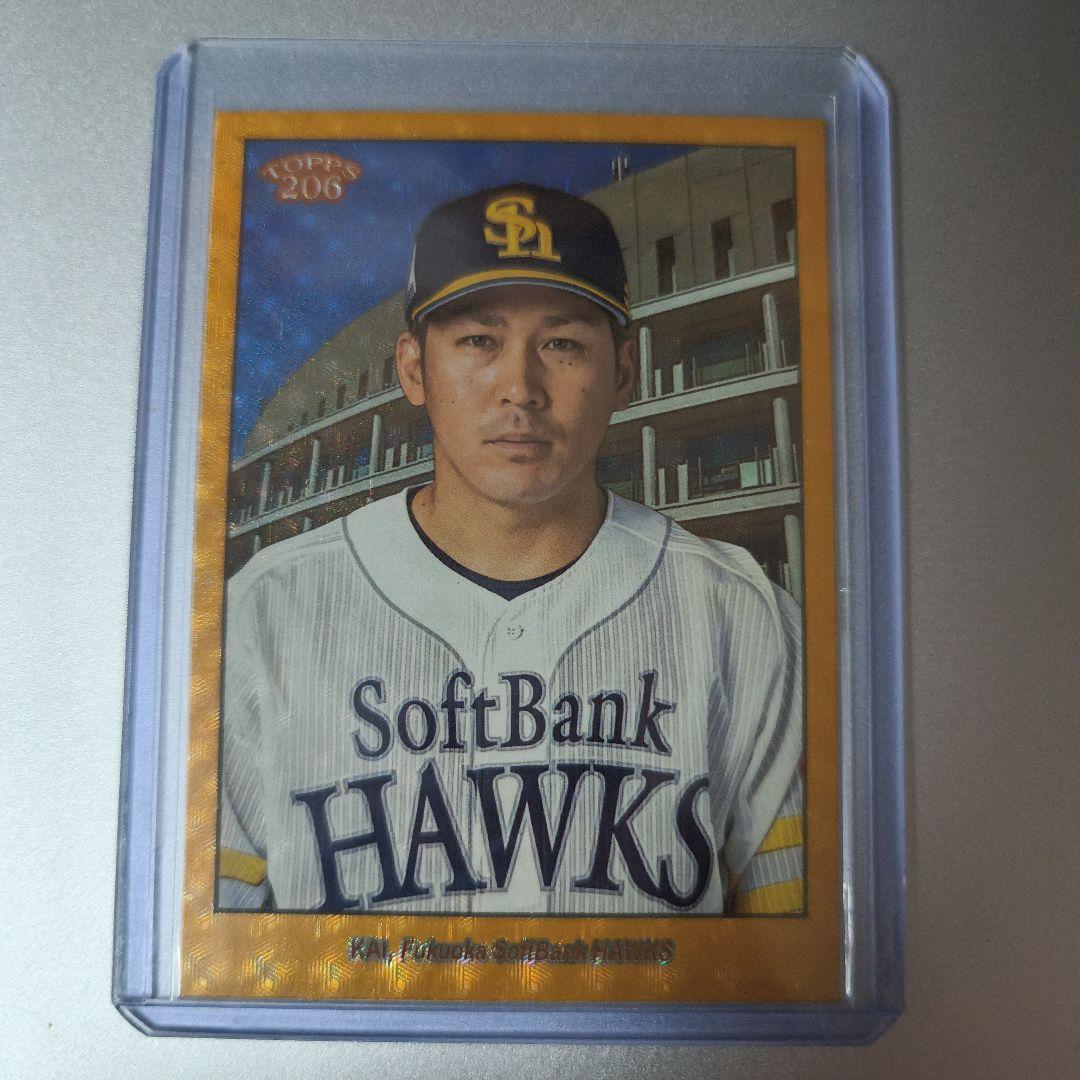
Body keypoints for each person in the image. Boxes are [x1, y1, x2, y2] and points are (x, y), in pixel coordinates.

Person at [218, 183, 805, 916]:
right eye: (478, 341)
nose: (520, 389)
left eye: (562, 344)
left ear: (623, 372)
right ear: (413, 369)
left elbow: (796, 958)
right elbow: (208, 952)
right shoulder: (268, 612)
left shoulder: (741, 616)